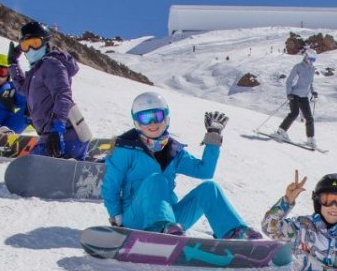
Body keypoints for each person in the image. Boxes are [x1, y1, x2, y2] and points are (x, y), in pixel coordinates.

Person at [101, 91, 261, 239]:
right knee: (156, 179)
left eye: (157, 116)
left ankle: (233, 232)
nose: (152, 123)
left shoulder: (173, 150)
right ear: (136, 122)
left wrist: (213, 136)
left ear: (166, 118)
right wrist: (117, 218)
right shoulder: (126, 148)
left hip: (172, 223)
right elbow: (110, 185)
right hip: (135, 219)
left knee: (209, 188)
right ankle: (160, 226)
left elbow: (204, 171)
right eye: (145, 118)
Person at [8, 21, 91, 159]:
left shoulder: (51, 65)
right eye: (25, 46)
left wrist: (57, 129)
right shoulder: (37, 70)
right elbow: (23, 89)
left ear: (46, 44)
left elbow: (63, 96)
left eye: (34, 44)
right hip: (54, 135)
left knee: (31, 170)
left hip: (66, 135)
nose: (30, 50)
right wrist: (12, 63)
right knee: (34, 169)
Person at [273, 48, 319, 148]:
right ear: (306, 56)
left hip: (304, 96)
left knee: (309, 118)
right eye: (311, 59)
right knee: (294, 113)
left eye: (314, 60)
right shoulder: (298, 67)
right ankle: (281, 131)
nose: (312, 61)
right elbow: (289, 81)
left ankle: (310, 138)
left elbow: (310, 83)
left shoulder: (312, 69)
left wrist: (313, 91)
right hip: (294, 94)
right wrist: (289, 93)